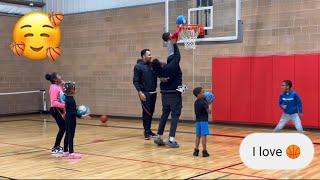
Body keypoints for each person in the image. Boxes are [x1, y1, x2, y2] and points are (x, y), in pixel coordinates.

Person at [152, 38, 183, 148]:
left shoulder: (158, 72)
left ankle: (159, 136)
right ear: (160, 65)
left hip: (165, 95)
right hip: (174, 95)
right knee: (175, 116)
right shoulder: (170, 68)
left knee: (164, 115)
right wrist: (174, 44)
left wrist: (169, 44)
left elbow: (173, 58)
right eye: (161, 62)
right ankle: (171, 139)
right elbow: (177, 57)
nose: (163, 61)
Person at [133, 49, 157, 140]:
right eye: (149, 55)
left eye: (151, 54)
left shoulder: (152, 66)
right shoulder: (138, 67)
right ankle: (146, 132)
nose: (151, 56)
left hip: (153, 92)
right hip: (145, 93)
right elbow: (135, 81)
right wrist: (140, 92)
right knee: (146, 113)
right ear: (143, 56)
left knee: (151, 113)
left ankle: (149, 130)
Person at [62, 81, 90, 159]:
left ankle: (65, 151)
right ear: (71, 90)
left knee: (67, 134)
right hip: (71, 119)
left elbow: (71, 110)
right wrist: (82, 116)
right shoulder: (71, 99)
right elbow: (73, 112)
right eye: (74, 88)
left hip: (67, 118)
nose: (75, 89)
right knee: (71, 135)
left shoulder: (67, 97)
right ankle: (71, 153)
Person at [45, 72, 65, 154]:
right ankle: (55, 147)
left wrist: (63, 85)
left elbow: (62, 96)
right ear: (55, 79)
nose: (61, 77)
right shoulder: (53, 88)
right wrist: (65, 105)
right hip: (55, 109)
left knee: (63, 128)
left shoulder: (58, 86)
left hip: (59, 109)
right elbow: (54, 102)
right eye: (59, 76)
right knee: (63, 128)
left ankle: (57, 146)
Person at [192, 87, 210, 157]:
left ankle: (196, 151)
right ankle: (204, 151)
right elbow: (209, 112)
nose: (204, 93)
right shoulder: (204, 102)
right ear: (198, 94)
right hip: (204, 121)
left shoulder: (196, 102)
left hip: (198, 121)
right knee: (204, 136)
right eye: (202, 92)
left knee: (197, 136)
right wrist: (209, 103)